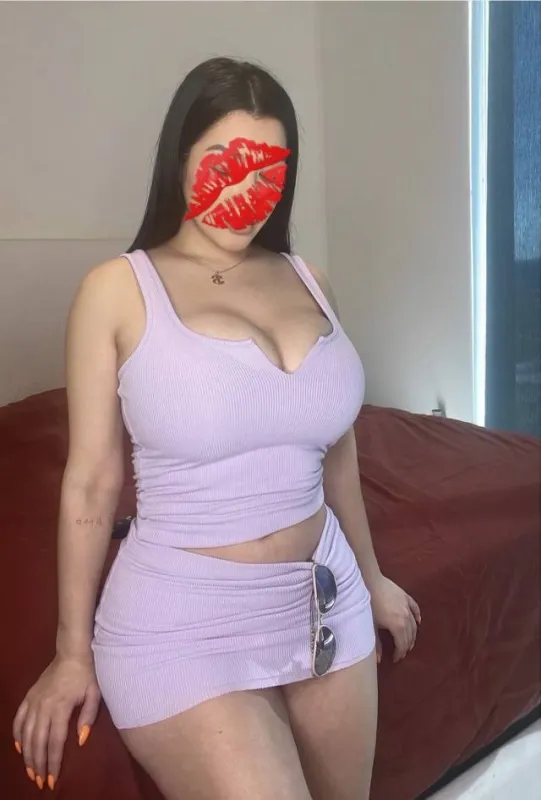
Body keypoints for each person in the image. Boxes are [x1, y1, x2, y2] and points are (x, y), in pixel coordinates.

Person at [12, 57, 421, 799]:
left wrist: (371, 577)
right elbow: (93, 481)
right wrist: (73, 652)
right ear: (180, 159)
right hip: (185, 623)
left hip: (325, 597)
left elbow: (336, 456)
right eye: (225, 165)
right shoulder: (116, 290)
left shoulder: (309, 279)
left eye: (267, 171)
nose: (245, 193)